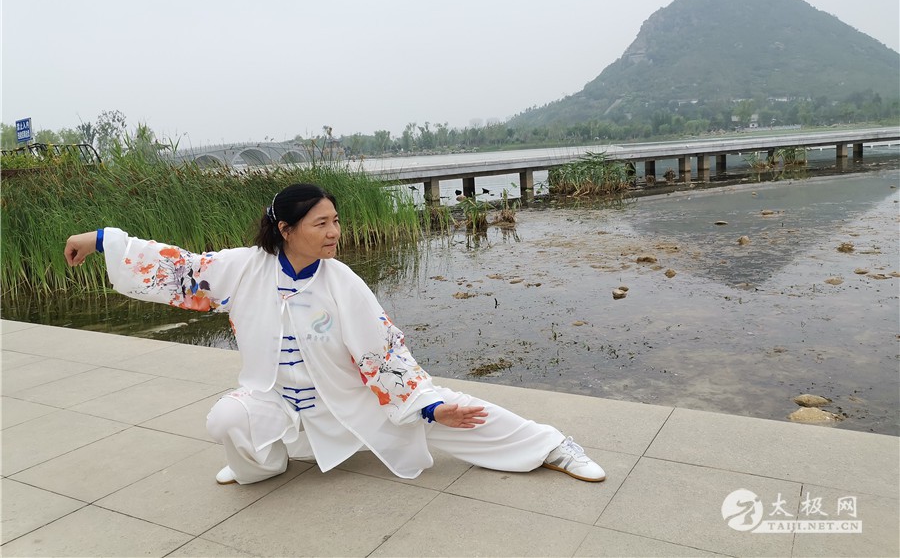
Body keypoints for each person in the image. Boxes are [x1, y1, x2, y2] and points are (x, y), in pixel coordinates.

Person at [64, 183, 605, 485]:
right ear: (286, 229)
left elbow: (384, 353)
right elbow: (182, 270)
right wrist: (106, 239)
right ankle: (261, 463)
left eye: (337, 221)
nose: (334, 232)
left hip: (347, 401)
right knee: (226, 418)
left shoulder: (342, 281)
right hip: (275, 400)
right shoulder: (244, 267)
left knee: (450, 412)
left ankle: (551, 446)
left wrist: (426, 406)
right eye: (321, 223)